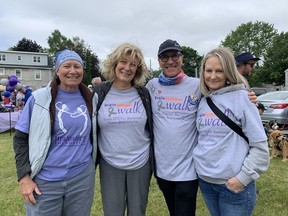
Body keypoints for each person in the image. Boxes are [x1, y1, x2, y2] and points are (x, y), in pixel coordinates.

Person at [13, 49, 98, 216]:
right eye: (67, 66)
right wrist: (24, 178)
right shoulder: (39, 99)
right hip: (45, 180)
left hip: (81, 177)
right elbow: (20, 139)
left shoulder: (91, 98)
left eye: (77, 66)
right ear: (57, 70)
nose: (73, 71)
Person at [193, 47, 269, 216]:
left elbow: (260, 146)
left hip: (233, 185)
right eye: (209, 70)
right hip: (206, 181)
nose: (213, 76)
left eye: (219, 71)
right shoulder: (204, 100)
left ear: (228, 71)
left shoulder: (243, 98)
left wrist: (242, 179)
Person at [94, 43, 153, 216]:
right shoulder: (99, 92)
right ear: (114, 64)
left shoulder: (144, 94)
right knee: (112, 211)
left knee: (137, 211)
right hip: (109, 162)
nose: (127, 68)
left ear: (138, 69)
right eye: (123, 62)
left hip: (140, 162)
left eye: (133, 64)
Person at [146, 39, 201, 216]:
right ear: (158, 60)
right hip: (163, 169)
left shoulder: (197, 85)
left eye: (175, 56)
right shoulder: (151, 86)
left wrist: (247, 95)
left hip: (188, 169)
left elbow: (223, 94)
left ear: (182, 58)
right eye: (165, 57)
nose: (170, 61)